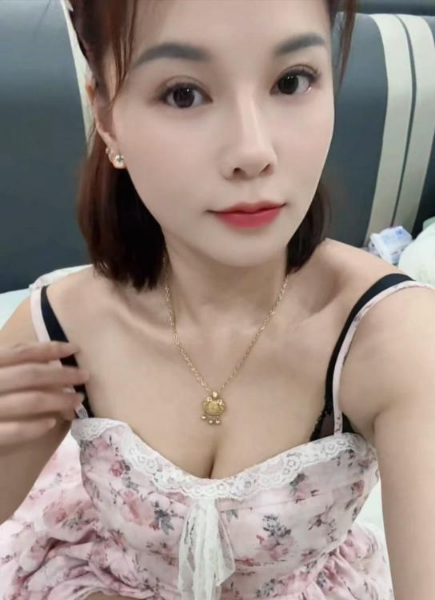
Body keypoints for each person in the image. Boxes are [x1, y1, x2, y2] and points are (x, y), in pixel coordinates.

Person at [1, 0, 435, 598]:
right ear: (106, 116)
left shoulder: (393, 337)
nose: (253, 151)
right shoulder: (59, 325)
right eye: (183, 94)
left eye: (292, 81)